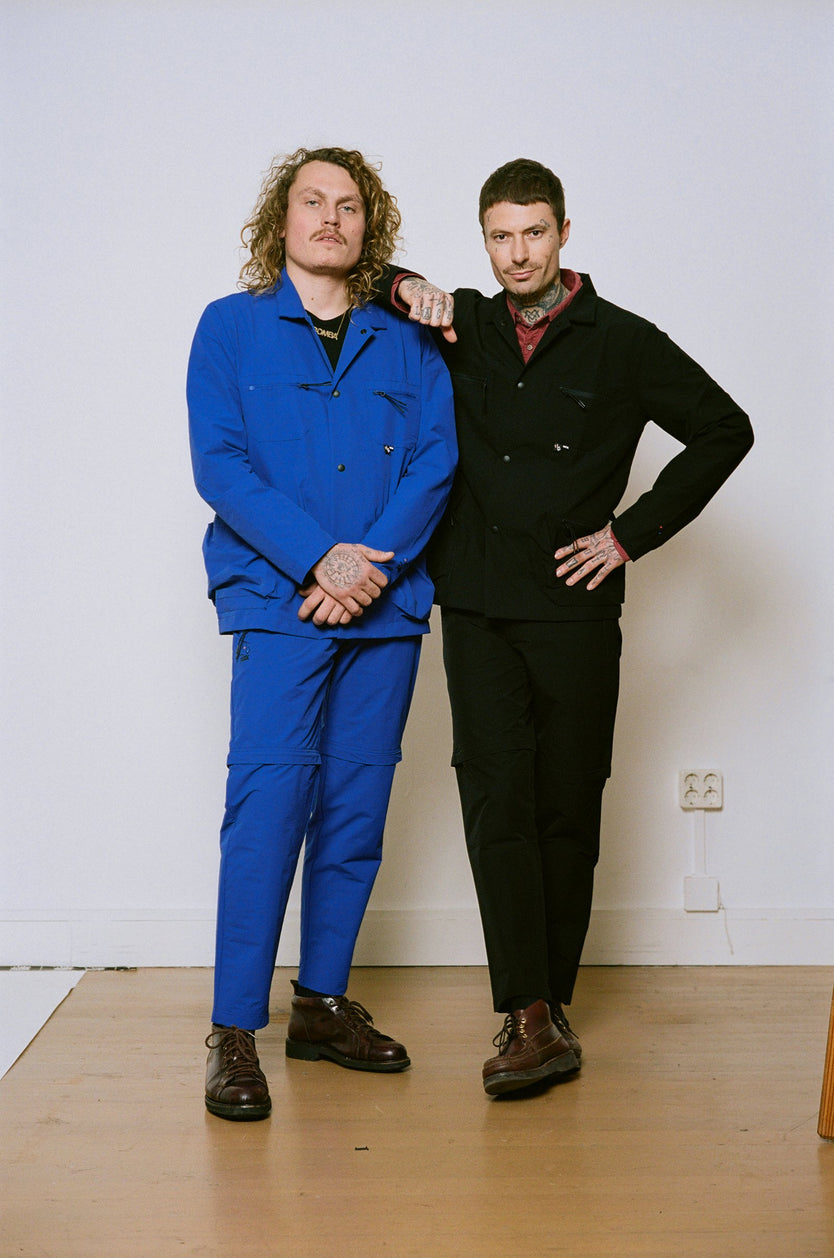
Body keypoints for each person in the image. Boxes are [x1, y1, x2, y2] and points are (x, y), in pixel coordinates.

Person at [385, 158, 753, 1096]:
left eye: (534, 233)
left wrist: (629, 536)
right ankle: (527, 1013)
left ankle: (549, 1004)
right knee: (495, 800)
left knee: (566, 802)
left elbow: (726, 429)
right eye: (500, 236)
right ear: (484, 240)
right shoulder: (463, 321)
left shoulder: (621, 341)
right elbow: (373, 278)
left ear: (564, 233)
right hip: (477, 604)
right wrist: (402, 283)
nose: (518, 253)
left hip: (575, 609)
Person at [187, 146, 456, 1120]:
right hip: (279, 602)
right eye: (313, 201)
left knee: (354, 812)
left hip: (384, 609)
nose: (331, 217)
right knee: (266, 811)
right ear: (283, 220)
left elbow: (437, 460)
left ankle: (322, 1004)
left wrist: (366, 567)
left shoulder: (411, 338)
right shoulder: (229, 327)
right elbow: (220, 464)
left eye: (349, 204)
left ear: (367, 228)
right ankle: (232, 1030)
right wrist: (319, 561)